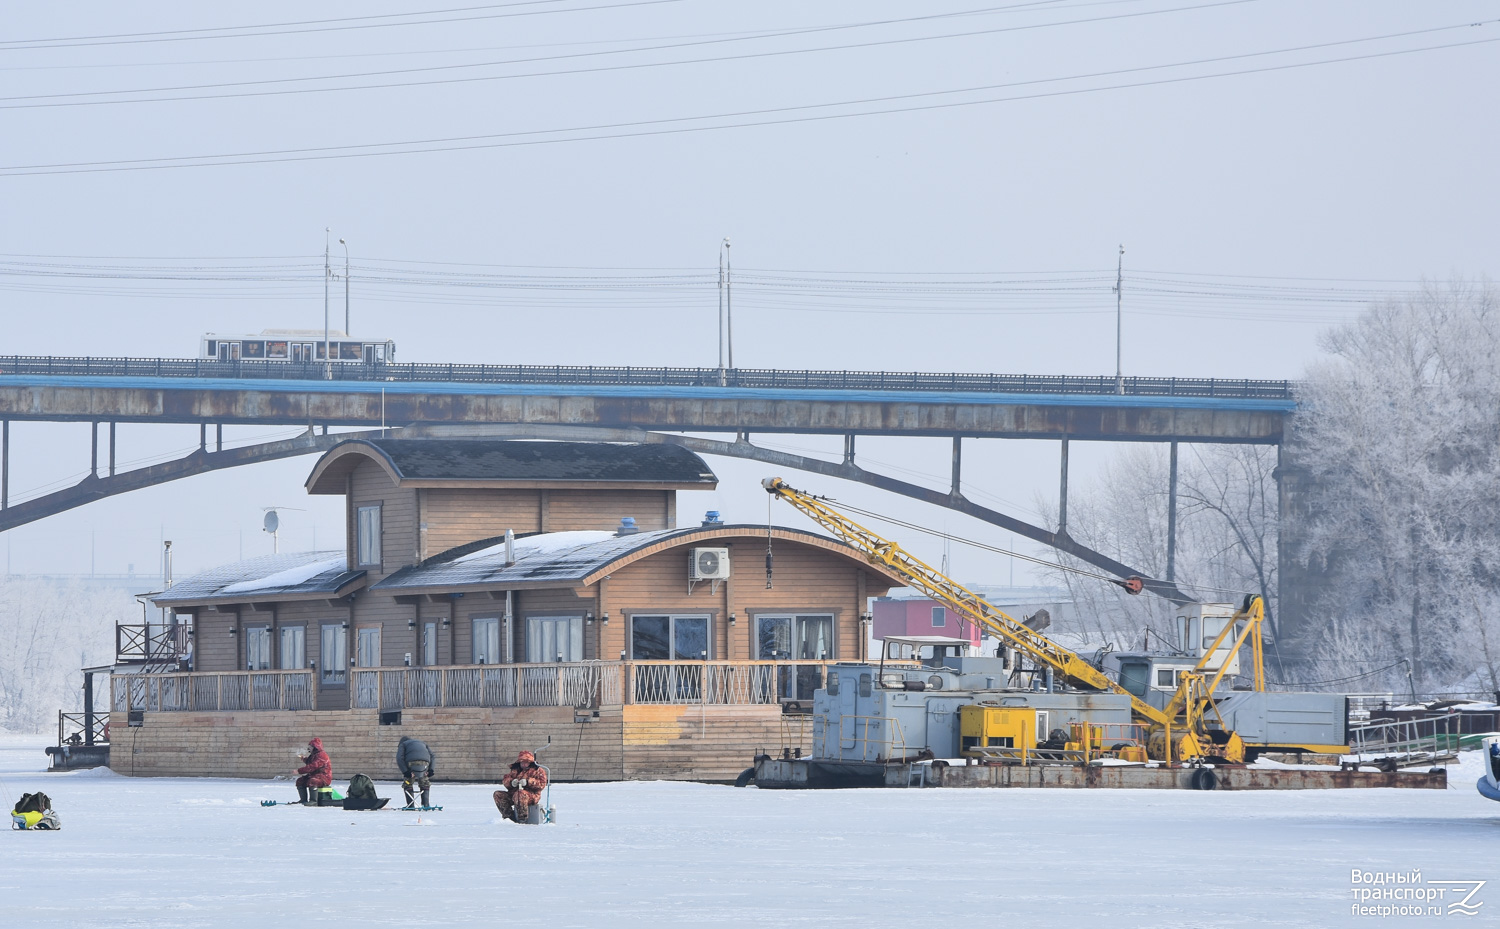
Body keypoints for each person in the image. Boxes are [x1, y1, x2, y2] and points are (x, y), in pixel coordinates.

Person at [493, 750, 547, 823]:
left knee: (520, 794)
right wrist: (511, 782)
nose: (524, 764)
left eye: (526, 762)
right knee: (498, 794)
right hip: (514, 794)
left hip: (531, 795)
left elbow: (542, 784)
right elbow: (505, 780)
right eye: (522, 762)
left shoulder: (538, 770)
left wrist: (528, 782)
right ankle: (509, 818)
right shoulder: (515, 770)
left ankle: (522, 819)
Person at [396, 736, 435, 808]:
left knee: (408, 783)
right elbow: (432, 756)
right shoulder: (422, 743)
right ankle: (425, 805)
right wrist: (431, 770)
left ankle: (410, 805)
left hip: (411, 764)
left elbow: (399, 758)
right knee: (425, 783)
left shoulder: (403, 744)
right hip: (425, 763)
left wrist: (406, 772)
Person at [294, 737, 332, 805]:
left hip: (324, 777)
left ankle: (313, 801)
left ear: (315, 747)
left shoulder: (322, 755)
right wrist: (304, 758)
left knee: (313, 781)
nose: (309, 748)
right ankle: (303, 800)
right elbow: (310, 762)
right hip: (314, 775)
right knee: (300, 781)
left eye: (310, 746)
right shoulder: (313, 755)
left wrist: (299, 771)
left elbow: (313, 766)